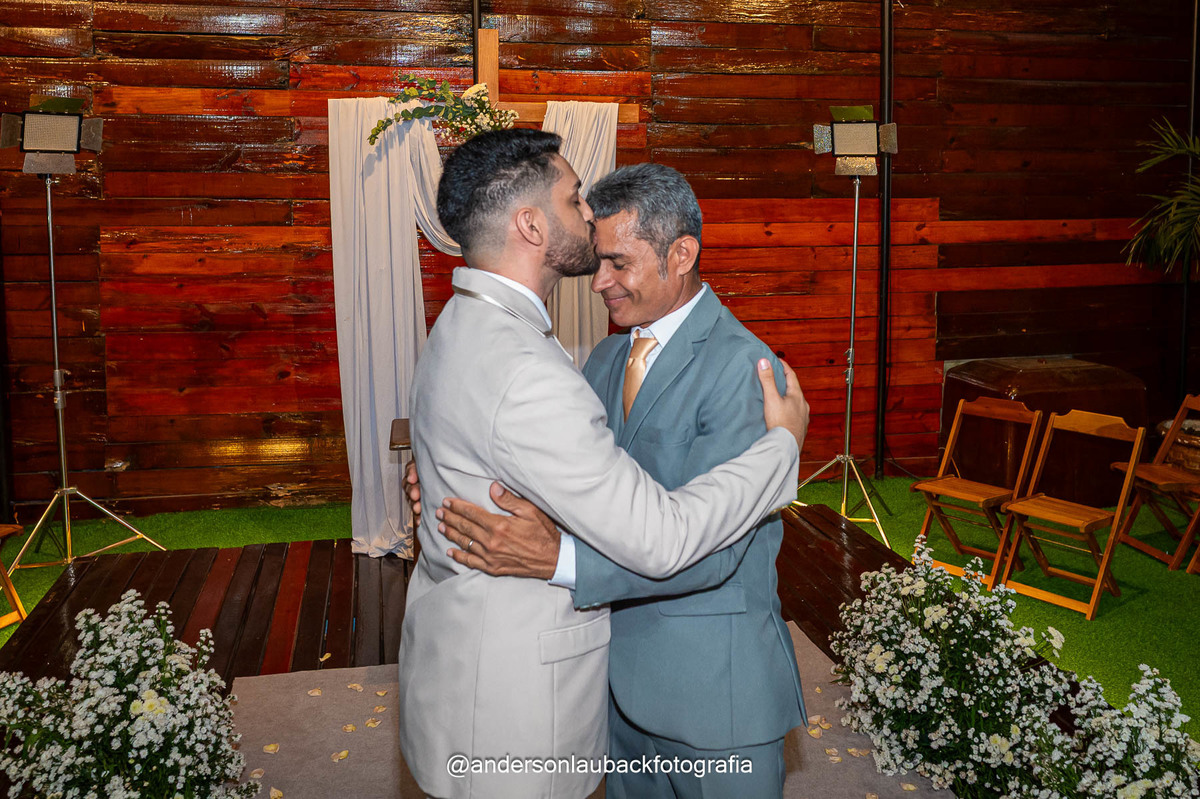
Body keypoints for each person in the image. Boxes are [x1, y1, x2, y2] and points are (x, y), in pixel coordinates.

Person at [398, 129, 808, 799]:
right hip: (606, 684)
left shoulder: (745, 368)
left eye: (619, 262)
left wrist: (559, 558)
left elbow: (712, 551)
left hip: (711, 691)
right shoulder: (600, 358)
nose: (600, 281)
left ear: (682, 255)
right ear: (531, 224)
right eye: (598, 254)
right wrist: (450, 471)